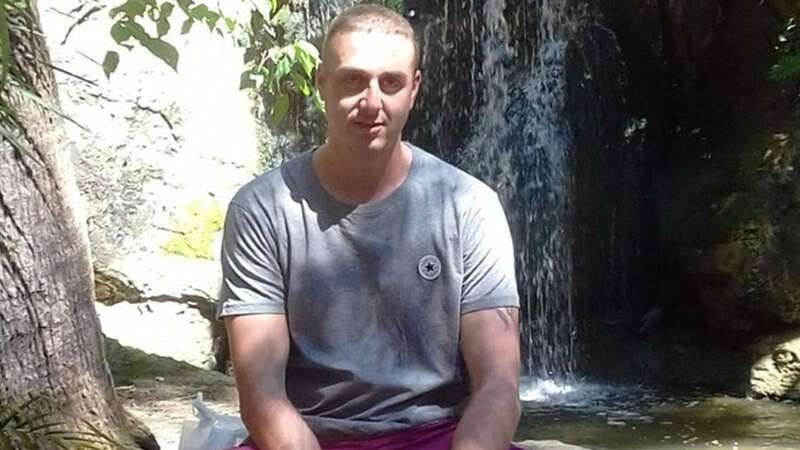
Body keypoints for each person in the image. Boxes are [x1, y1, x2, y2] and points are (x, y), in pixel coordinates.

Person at [218, 4, 523, 450]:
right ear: (321, 81)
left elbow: (498, 386)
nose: (372, 103)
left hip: (438, 435)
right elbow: (262, 394)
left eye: (391, 83)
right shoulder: (262, 208)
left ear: (414, 88)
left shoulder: (469, 205)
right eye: (353, 80)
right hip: (306, 436)